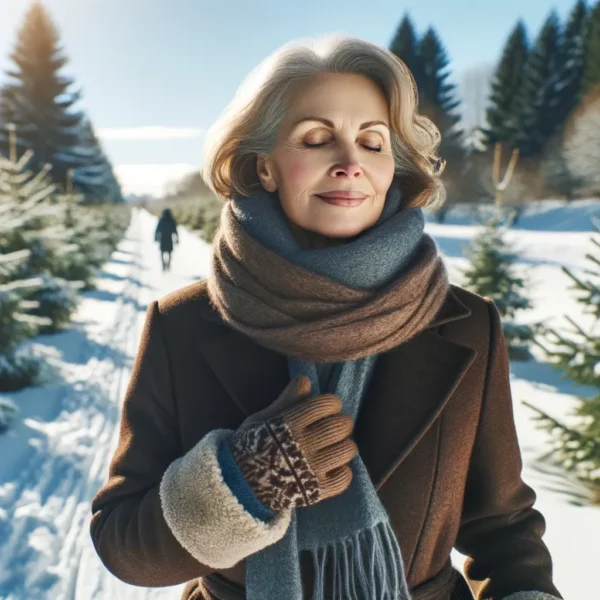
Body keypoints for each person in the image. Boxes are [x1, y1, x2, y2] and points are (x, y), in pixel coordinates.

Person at [90, 35, 563, 600]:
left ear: (393, 166)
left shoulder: (465, 324)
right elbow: (122, 543)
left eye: (372, 142)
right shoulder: (183, 324)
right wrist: (241, 483)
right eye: (316, 139)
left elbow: (504, 530)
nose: (349, 164)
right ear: (264, 165)